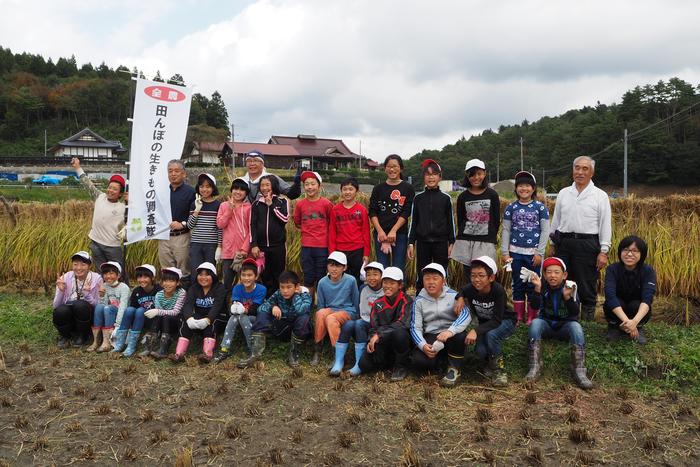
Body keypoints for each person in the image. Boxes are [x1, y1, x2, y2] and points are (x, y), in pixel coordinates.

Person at [550, 155, 612, 321]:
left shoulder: (600, 196)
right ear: (573, 171)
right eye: (577, 168)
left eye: (585, 168)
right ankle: (566, 317)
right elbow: (556, 220)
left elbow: (605, 224)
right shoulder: (564, 193)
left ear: (592, 172)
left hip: (588, 244)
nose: (580, 172)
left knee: (586, 283)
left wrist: (604, 251)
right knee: (562, 281)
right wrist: (552, 242)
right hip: (563, 242)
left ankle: (587, 321)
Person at [525, 257, 593, 389]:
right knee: (535, 323)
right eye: (549, 272)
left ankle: (579, 369)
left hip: (565, 326)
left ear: (564, 275)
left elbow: (574, 313)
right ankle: (535, 366)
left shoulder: (570, 287)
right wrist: (537, 289)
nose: (552, 276)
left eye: (556, 272)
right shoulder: (543, 287)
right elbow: (534, 306)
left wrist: (567, 297)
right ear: (544, 275)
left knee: (576, 327)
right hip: (547, 324)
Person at [453, 256, 516, 387]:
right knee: (480, 351)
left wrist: (475, 330)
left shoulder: (498, 291)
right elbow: (463, 290)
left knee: (491, 335)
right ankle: (489, 362)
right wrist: (459, 297)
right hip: (485, 323)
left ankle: (499, 370)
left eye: (481, 275)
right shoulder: (471, 288)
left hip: (505, 321)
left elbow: (497, 320)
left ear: (491, 278)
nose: (476, 279)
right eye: (473, 275)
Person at [410, 263, 471, 387]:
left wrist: (450, 331)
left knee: (460, 336)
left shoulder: (454, 296)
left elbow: (466, 315)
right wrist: (423, 346)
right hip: (432, 336)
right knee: (419, 362)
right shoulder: (419, 300)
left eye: (435, 278)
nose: (430, 282)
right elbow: (415, 327)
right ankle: (441, 361)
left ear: (443, 281)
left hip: (450, 335)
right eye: (427, 278)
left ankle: (454, 369)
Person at [501, 171, 550, 325]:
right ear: (516, 189)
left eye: (527, 186)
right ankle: (518, 316)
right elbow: (506, 230)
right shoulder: (511, 208)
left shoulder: (540, 208)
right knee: (517, 285)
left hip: (533, 254)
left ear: (533, 188)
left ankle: (532, 316)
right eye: (520, 186)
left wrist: (540, 253)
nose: (524, 189)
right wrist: (504, 252)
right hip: (515, 253)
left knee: (533, 284)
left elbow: (545, 231)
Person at [71, 157, 128, 284]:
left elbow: (133, 221)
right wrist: (77, 167)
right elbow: (87, 183)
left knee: (118, 271)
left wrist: (130, 201)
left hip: (112, 246)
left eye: (115, 189)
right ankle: (101, 295)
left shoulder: (124, 207)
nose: (110, 190)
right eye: (110, 187)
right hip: (96, 242)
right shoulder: (100, 197)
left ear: (120, 194)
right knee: (100, 272)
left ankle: (125, 295)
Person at [239, 270, 312, 368]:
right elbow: (261, 308)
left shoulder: (305, 296)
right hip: (281, 327)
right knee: (263, 314)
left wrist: (296, 296)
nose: (285, 291)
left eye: (289, 287)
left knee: (304, 318)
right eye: (282, 287)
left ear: (297, 287)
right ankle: (255, 354)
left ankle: (294, 354)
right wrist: (273, 306)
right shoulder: (278, 294)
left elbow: (300, 311)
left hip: (297, 330)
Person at [407, 159, 455, 293]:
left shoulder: (446, 198)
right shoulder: (418, 198)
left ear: (440, 177)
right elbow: (414, 221)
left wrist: (452, 242)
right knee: (422, 271)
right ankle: (420, 299)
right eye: (427, 174)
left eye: (434, 174)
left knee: (442, 271)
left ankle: (445, 299)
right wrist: (411, 243)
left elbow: (451, 222)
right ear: (424, 178)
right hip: (423, 242)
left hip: (441, 242)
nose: (431, 177)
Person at [358, 267, 413, 382]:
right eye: (385, 282)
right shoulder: (378, 303)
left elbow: (403, 323)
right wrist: (371, 339)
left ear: (400, 285)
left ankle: (401, 366)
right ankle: (387, 363)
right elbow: (373, 326)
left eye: (392, 283)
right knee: (364, 365)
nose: (388, 286)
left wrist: (379, 334)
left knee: (400, 333)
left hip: (399, 341)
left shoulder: (407, 300)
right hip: (383, 341)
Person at [331, 262, 385, 377]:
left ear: (381, 276)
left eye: (375, 274)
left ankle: (359, 364)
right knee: (348, 324)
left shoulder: (385, 290)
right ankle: (339, 361)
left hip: (377, 326)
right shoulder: (363, 288)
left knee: (359, 324)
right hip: (363, 320)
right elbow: (358, 307)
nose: (371, 278)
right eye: (368, 275)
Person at [450, 159, 501, 281]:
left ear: (484, 173)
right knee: (469, 275)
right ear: (467, 176)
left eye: (479, 174)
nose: (476, 177)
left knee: (485, 274)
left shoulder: (492, 195)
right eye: (472, 174)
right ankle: (469, 299)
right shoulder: (463, 196)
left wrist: (492, 236)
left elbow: (496, 219)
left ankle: (484, 299)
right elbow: (461, 218)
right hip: (466, 241)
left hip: (486, 241)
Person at [170, 262, 227, 364]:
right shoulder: (194, 288)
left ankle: (207, 354)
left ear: (213, 276)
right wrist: (189, 318)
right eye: (200, 274)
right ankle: (179, 354)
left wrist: (208, 319)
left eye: (207, 274)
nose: (203, 277)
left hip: (218, 317)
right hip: (200, 317)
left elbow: (217, 306)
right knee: (185, 319)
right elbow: (187, 305)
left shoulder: (219, 288)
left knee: (212, 323)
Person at [603, 236, 656, 344]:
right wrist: (628, 322)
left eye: (635, 251)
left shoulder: (648, 271)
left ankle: (639, 327)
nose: (629, 254)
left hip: (635, 310)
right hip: (618, 308)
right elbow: (610, 295)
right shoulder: (612, 269)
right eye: (626, 250)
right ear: (620, 252)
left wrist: (635, 322)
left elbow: (648, 298)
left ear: (642, 254)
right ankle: (614, 327)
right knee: (612, 302)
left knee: (636, 304)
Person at [312, 251, 360, 367]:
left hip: (348, 311)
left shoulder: (351, 280)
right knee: (320, 313)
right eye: (331, 265)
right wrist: (323, 313)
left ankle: (339, 355)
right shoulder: (322, 282)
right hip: (330, 310)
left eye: (338, 266)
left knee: (331, 319)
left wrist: (356, 316)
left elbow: (355, 301)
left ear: (345, 267)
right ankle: (318, 349)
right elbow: (321, 306)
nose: (334, 269)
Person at [214, 259, 267, 363]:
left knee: (241, 317)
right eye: (243, 275)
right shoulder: (237, 288)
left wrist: (243, 310)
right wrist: (234, 307)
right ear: (240, 276)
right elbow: (235, 304)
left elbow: (255, 308)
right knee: (234, 317)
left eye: (249, 275)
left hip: (255, 317)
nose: (246, 278)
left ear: (256, 276)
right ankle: (224, 350)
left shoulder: (261, 289)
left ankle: (252, 349)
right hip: (241, 316)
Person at [369, 154, 415, 270]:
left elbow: (406, 212)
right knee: (382, 267)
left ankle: (400, 288)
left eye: (395, 166)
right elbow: (372, 211)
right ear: (385, 169)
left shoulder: (407, 188)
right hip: (381, 234)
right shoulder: (378, 188)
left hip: (399, 234)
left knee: (398, 268)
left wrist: (394, 231)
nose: (392, 169)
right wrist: (380, 231)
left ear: (401, 168)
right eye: (389, 166)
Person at [293, 171, 333, 300]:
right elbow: (297, 222)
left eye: (313, 184)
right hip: (306, 246)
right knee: (309, 276)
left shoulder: (326, 204)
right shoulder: (300, 204)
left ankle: (321, 303)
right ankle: (308, 305)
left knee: (322, 276)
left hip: (322, 246)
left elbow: (332, 223)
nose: (310, 187)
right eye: (306, 184)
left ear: (319, 186)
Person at [53, 251, 103, 348]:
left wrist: (87, 294)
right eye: (75, 264)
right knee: (61, 311)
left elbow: (98, 305)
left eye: (83, 264)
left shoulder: (97, 279)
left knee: (80, 305)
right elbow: (56, 306)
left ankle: (83, 335)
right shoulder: (66, 277)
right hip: (70, 315)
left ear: (89, 266)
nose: (78, 268)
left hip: (87, 316)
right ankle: (65, 336)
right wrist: (61, 291)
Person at [250, 175, 290, 296]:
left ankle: (279, 299)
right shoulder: (256, 204)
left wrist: (271, 205)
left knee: (278, 274)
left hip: (277, 246)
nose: (265, 187)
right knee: (265, 274)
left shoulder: (282, 201)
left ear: (273, 186)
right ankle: (267, 300)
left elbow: (284, 219)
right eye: (262, 185)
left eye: (267, 185)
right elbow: (252, 226)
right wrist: (254, 244)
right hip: (261, 247)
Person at [112, 264, 162, 357]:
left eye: (146, 276)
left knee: (140, 310)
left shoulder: (159, 290)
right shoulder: (136, 291)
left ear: (153, 277)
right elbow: (132, 308)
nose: (142, 279)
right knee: (130, 309)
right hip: (140, 320)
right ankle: (119, 344)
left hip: (155, 320)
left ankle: (131, 346)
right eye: (139, 276)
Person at [328, 177, 371, 285]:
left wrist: (366, 253)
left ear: (357, 191)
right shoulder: (335, 209)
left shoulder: (361, 210)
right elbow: (332, 232)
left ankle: (356, 301)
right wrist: (332, 252)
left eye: (351, 189)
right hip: (340, 250)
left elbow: (366, 232)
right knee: (341, 279)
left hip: (357, 249)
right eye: (345, 189)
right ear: (341, 191)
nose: (347, 192)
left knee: (357, 279)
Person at [159, 160, 196, 284]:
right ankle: (169, 300)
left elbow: (196, 214)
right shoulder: (162, 191)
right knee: (167, 270)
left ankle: (184, 299)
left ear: (184, 174)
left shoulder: (191, 192)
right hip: (163, 237)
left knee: (183, 270)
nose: (173, 174)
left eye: (176, 171)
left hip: (182, 236)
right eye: (170, 171)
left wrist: (183, 223)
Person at [216, 177, 252, 294]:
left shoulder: (248, 208)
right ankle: (226, 308)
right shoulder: (224, 206)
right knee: (227, 282)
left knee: (245, 281)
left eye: (242, 190)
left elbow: (251, 230)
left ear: (246, 193)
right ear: (231, 190)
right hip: (228, 251)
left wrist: (244, 249)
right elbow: (220, 224)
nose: (238, 192)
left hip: (243, 252)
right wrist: (229, 210)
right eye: (235, 188)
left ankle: (244, 307)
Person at [143, 267, 186, 359]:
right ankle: (149, 346)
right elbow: (158, 313)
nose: (167, 284)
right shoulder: (159, 294)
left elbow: (176, 312)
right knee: (158, 317)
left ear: (178, 282)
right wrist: (158, 311)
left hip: (177, 322)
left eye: (171, 281)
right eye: (165, 281)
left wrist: (158, 311)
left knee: (165, 316)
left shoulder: (181, 293)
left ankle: (164, 349)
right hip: (162, 322)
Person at [86, 261, 130, 353]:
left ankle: (107, 342)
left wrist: (118, 324)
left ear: (118, 275)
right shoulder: (104, 286)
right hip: (108, 313)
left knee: (108, 308)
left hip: (120, 316)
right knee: (99, 307)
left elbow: (123, 307)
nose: (108, 276)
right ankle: (96, 341)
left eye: (111, 273)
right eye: (105, 273)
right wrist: (102, 296)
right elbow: (103, 305)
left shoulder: (124, 287)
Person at [187, 173, 222, 269]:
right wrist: (197, 210)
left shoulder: (218, 205)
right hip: (196, 244)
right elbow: (190, 226)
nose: (204, 189)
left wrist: (219, 246)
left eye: (208, 186)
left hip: (211, 245)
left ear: (213, 188)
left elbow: (220, 228)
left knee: (209, 272)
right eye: (201, 186)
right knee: (195, 272)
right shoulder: (195, 204)